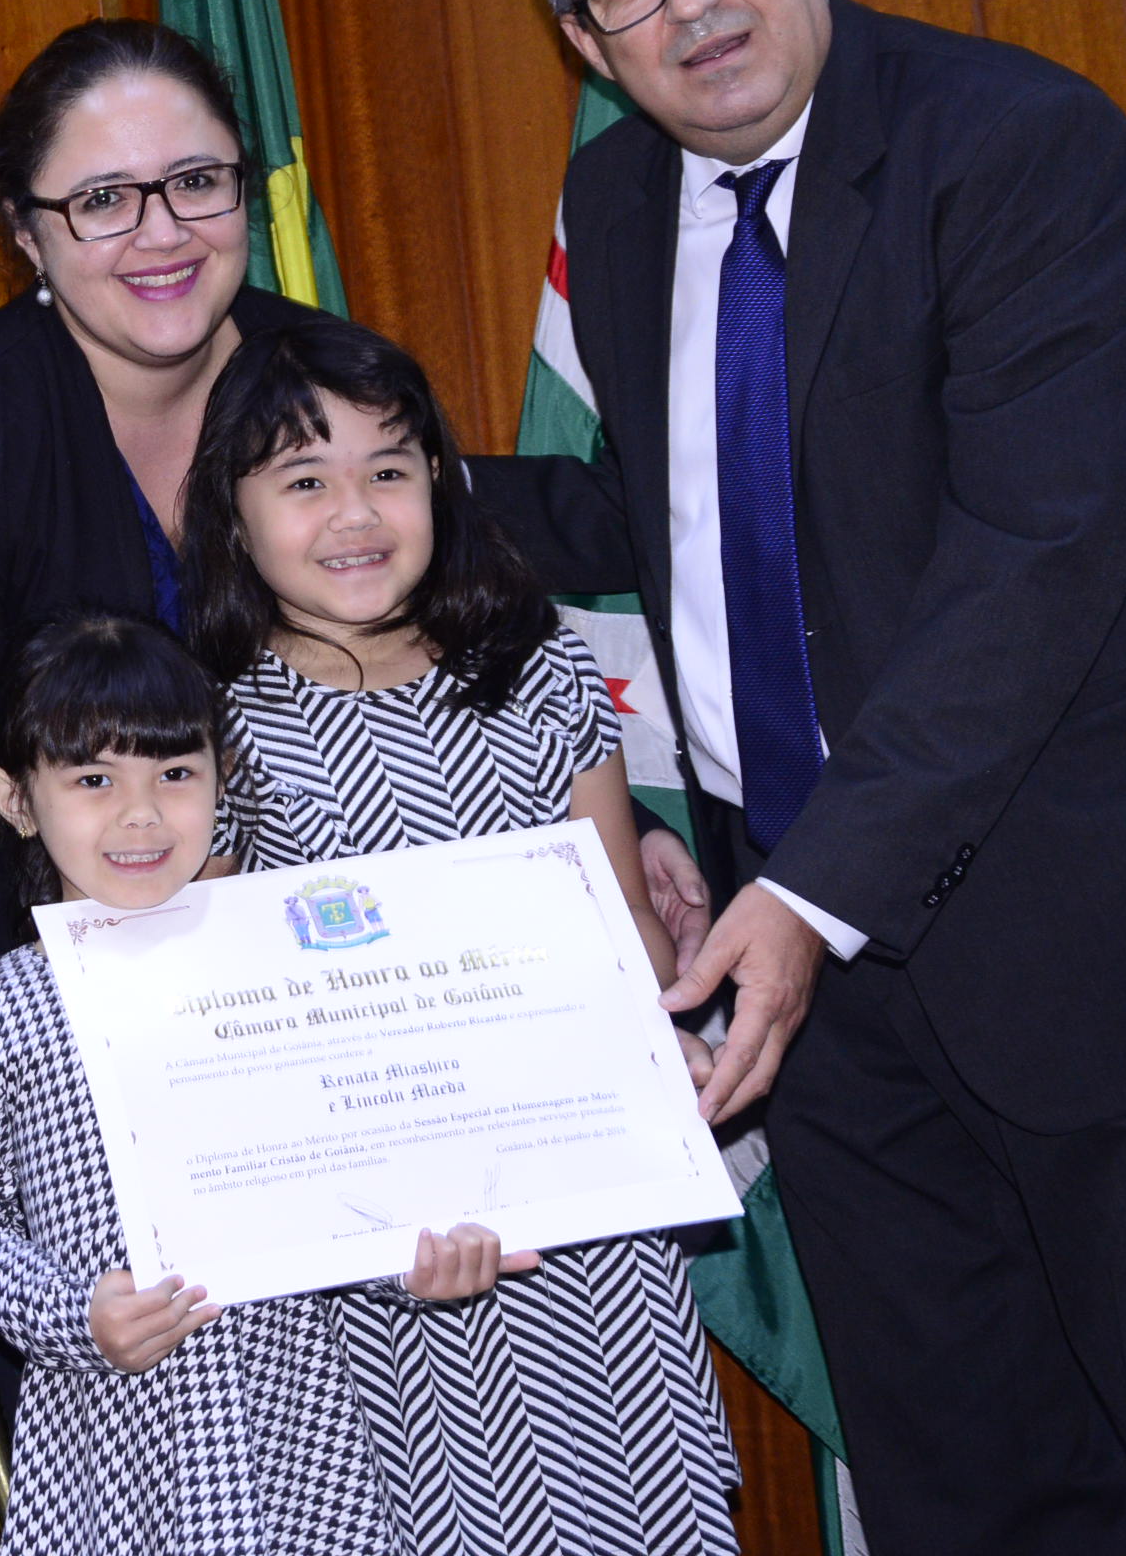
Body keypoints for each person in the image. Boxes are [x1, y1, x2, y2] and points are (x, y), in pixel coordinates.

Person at [471, 0, 1126, 1554]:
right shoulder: (617, 200)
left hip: (1109, 935)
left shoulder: (1015, 146)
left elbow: (1036, 559)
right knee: (966, 1489)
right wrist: (377, 490)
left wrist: (808, 893)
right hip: (826, 1003)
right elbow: (675, 506)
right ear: (584, 40)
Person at [0, 19, 727, 1326]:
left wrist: (598, 835)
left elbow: (449, 648)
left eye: (195, 182)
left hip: (405, 1062)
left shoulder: (327, 379)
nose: (160, 232)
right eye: (102, 200)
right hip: (112, 1072)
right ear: (26, 234)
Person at [186, 316, 738, 1554]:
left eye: (388, 469)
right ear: (231, 511)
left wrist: (665, 1044)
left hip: (585, 1243)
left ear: (438, 479)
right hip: (369, 1264)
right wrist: (365, 1218)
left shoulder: (537, 670)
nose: (354, 514)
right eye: (302, 481)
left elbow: (623, 928)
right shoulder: (206, 731)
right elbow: (218, 1033)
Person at [0, 610, 527, 1555]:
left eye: (176, 774)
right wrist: (75, 1317)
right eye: (93, 780)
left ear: (223, 776)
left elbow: (342, 1173)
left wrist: (414, 1260)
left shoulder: (279, 969)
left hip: (298, 1417)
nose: (141, 814)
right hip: (107, 1434)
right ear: (15, 799)